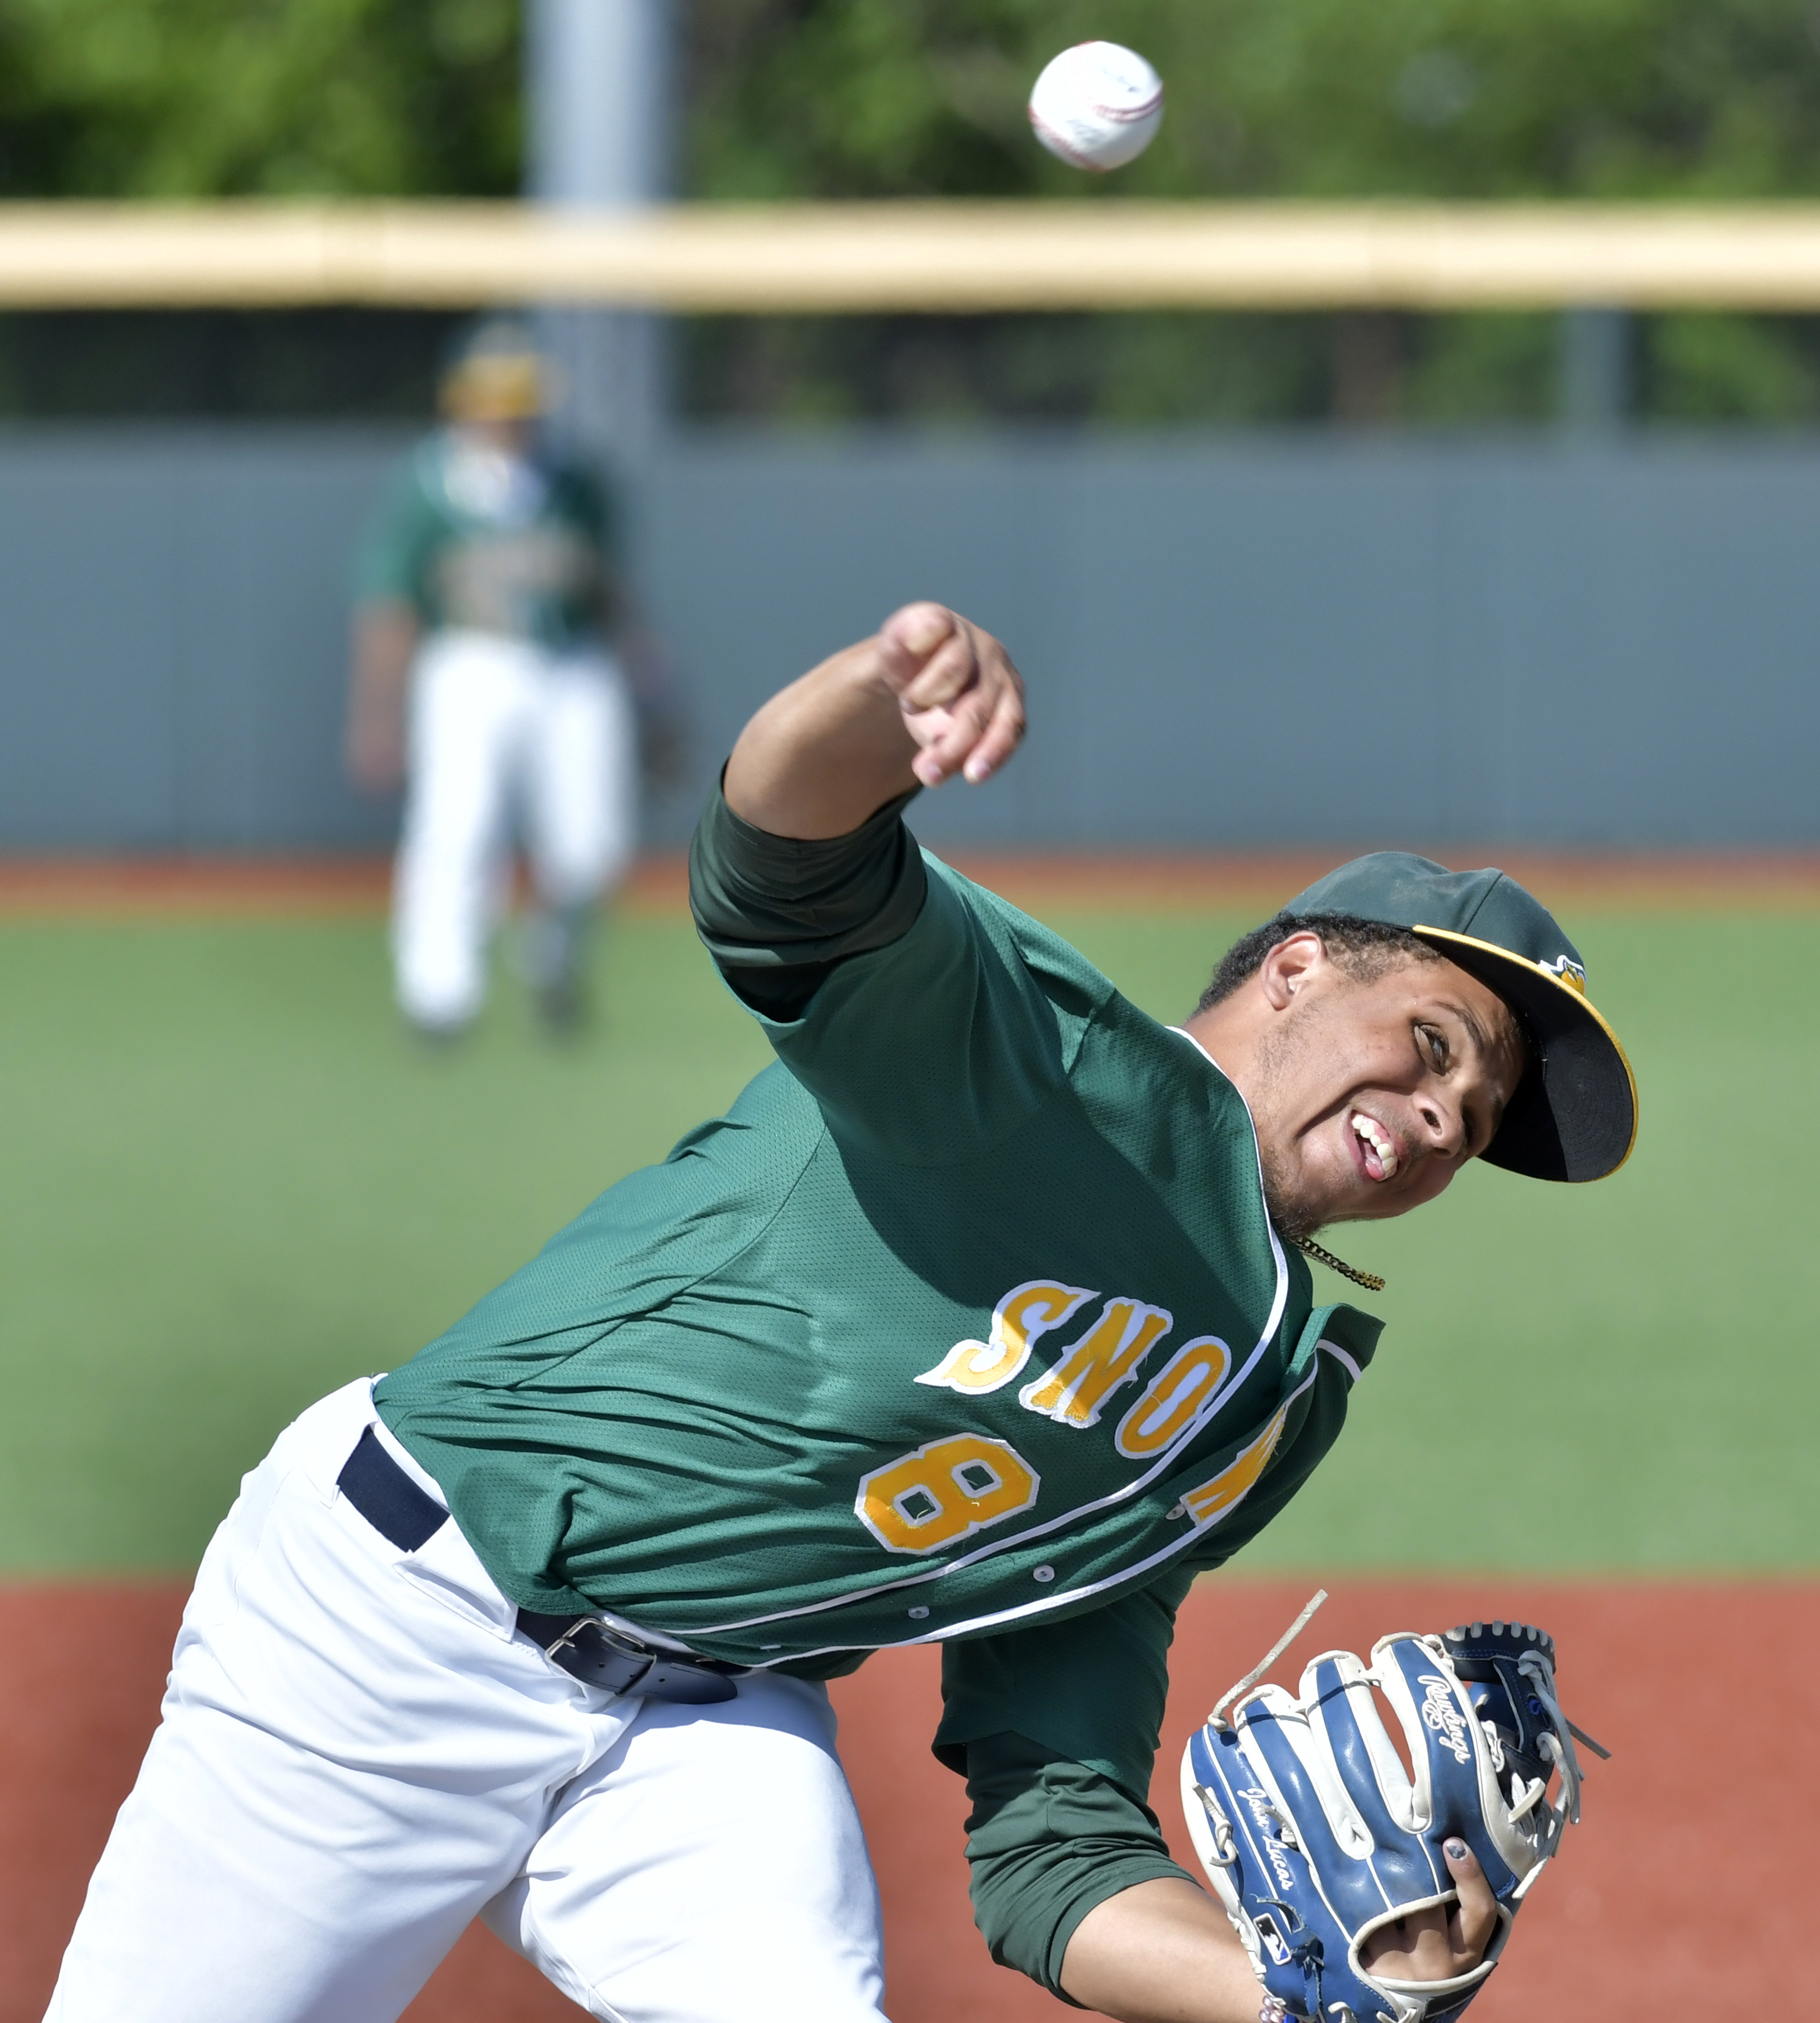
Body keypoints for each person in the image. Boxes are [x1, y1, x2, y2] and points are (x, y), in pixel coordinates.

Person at [49, 603, 1636, 2023]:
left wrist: (1313, 1996)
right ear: (1294, 968)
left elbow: (1055, 1840)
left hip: (708, 1717)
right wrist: (888, 701)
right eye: (1433, 1041)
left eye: (1480, 1113)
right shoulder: (1047, 1065)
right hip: (400, 1616)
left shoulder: (1260, 1406)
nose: (1444, 1116)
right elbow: (778, 866)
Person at [345, 317, 673, 1037]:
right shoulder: (429, 485)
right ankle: (439, 994)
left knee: (592, 844)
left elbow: (612, 595)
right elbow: (390, 606)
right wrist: (376, 715)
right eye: (492, 399)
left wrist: (652, 694)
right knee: (456, 827)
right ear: (461, 402)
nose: (506, 415)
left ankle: (555, 960)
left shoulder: (577, 480)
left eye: (518, 399)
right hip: (469, 664)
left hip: (571, 667)